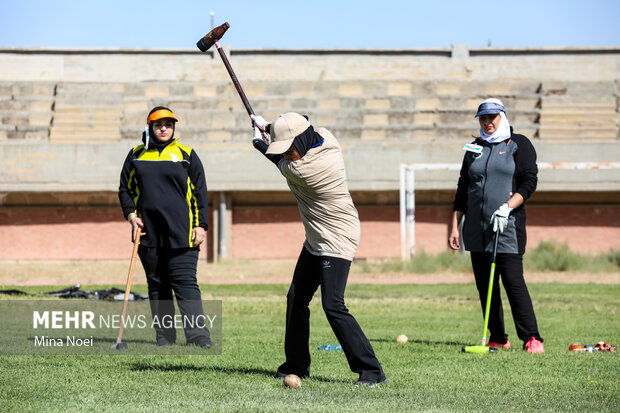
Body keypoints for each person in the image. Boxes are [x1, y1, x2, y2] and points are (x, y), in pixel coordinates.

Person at [251, 112, 387, 386]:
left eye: (290, 148)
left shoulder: (304, 169)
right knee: (296, 298)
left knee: (333, 304)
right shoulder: (325, 137)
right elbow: (292, 135)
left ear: (302, 140)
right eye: (285, 149)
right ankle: (296, 365)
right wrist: (268, 127)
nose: (288, 154)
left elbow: (274, 157)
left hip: (337, 237)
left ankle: (372, 371)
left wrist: (261, 143)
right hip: (316, 237)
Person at [448, 98, 544, 353]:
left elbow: (529, 182)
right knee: (485, 285)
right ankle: (498, 337)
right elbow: (462, 188)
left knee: (513, 282)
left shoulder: (519, 144)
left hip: (507, 227)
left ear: (502, 116)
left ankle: (532, 338)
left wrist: (508, 206)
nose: (487, 122)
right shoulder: (473, 148)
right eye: (483, 118)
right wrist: (454, 226)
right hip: (476, 229)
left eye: (492, 117)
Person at [118, 106, 212, 348]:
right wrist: (131, 216)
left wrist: (201, 226)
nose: (164, 129)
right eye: (159, 125)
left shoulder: (186, 154)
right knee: (158, 286)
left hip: (183, 233)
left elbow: (200, 193)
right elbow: (125, 190)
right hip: (148, 234)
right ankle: (164, 338)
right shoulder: (136, 155)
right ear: (150, 127)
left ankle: (199, 338)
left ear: (173, 128)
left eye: (168, 125)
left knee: (185, 284)